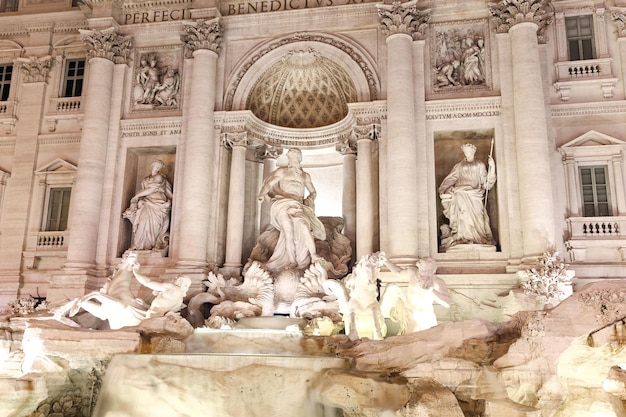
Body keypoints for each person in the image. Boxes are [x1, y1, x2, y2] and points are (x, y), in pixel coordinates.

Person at [257, 148, 326, 272]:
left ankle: (314, 255)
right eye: (291, 157)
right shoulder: (282, 171)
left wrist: (309, 201)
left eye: (295, 157)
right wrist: (262, 194)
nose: (293, 160)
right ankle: (293, 261)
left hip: (298, 205)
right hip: (283, 203)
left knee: (304, 226)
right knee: (288, 232)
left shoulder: (305, 175)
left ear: (300, 158)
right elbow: (268, 184)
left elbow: (313, 192)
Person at [438, 143, 496, 251]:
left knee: (478, 216)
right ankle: (463, 238)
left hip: (475, 195)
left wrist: (492, 168)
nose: (467, 153)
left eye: (469, 151)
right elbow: (450, 179)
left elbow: (487, 183)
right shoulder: (459, 166)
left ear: (473, 152)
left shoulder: (480, 164)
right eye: (465, 151)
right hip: (461, 193)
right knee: (463, 216)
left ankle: (478, 238)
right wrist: (444, 190)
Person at [380, 255, 451, 333]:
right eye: (423, 271)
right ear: (419, 267)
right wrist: (386, 261)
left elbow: (447, 303)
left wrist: (431, 290)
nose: (425, 274)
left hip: (425, 317)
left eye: (428, 271)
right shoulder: (413, 273)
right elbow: (398, 272)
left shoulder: (437, 282)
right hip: (409, 315)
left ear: (433, 271)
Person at [123, 160, 173, 252]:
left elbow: (152, 189)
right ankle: (140, 245)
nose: (158, 168)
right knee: (142, 222)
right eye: (156, 166)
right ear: (152, 166)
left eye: (159, 167)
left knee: (154, 225)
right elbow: (145, 191)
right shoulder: (146, 179)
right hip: (147, 202)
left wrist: (136, 196)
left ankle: (150, 246)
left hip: (158, 203)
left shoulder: (159, 177)